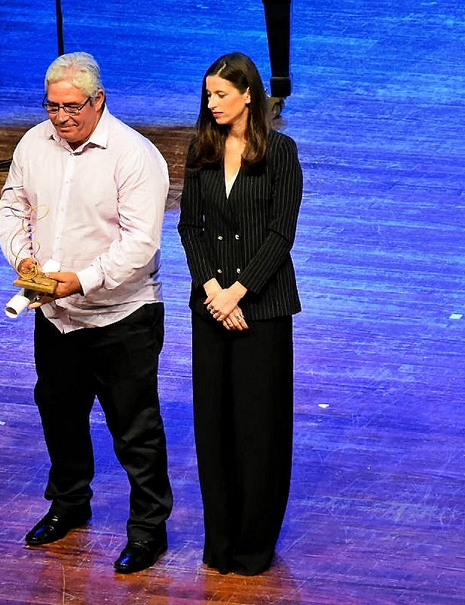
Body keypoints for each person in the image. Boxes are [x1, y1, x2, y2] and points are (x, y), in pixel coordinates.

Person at [0, 51, 173, 574]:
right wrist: (22, 256)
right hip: (55, 314)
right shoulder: (33, 143)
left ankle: (147, 529)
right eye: (52, 106)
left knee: (134, 428)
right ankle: (69, 504)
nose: (61, 117)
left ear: (99, 101)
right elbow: (12, 205)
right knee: (60, 414)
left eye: (72, 107)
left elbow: (140, 243)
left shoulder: (135, 156)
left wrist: (81, 280)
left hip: (122, 315)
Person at [177, 52, 303, 576]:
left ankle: (254, 545)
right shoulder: (202, 149)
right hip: (211, 308)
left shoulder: (280, 152)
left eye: (221, 95)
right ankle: (220, 541)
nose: (212, 104)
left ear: (248, 94)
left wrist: (239, 292)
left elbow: (280, 235)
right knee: (214, 426)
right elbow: (189, 226)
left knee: (259, 428)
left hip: (262, 311)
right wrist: (213, 290)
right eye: (208, 95)